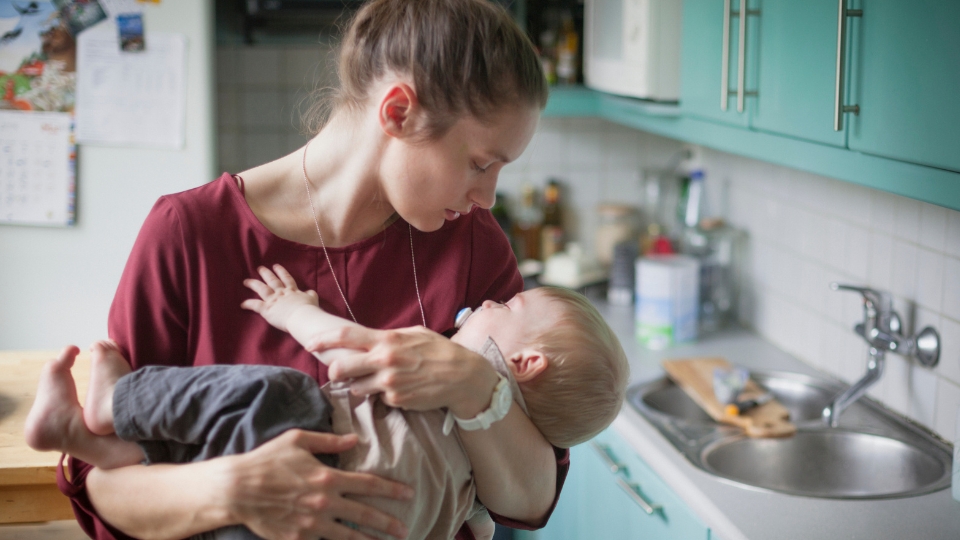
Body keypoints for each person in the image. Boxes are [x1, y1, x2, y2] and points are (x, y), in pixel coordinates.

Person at [49, 0, 566, 538]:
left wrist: (476, 385)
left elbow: (529, 500)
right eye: (481, 164)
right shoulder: (189, 233)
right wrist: (231, 490)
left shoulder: (475, 247)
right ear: (398, 112)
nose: (487, 196)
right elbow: (105, 482)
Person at [26, 265, 629, 540]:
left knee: (275, 391)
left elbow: (344, 352)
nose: (494, 303)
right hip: (333, 527)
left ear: (525, 363)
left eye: (511, 308)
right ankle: (90, 442)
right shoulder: (480, 482)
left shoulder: (456, 363)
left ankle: (114, 402)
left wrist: (293, 310)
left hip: (322, 451)